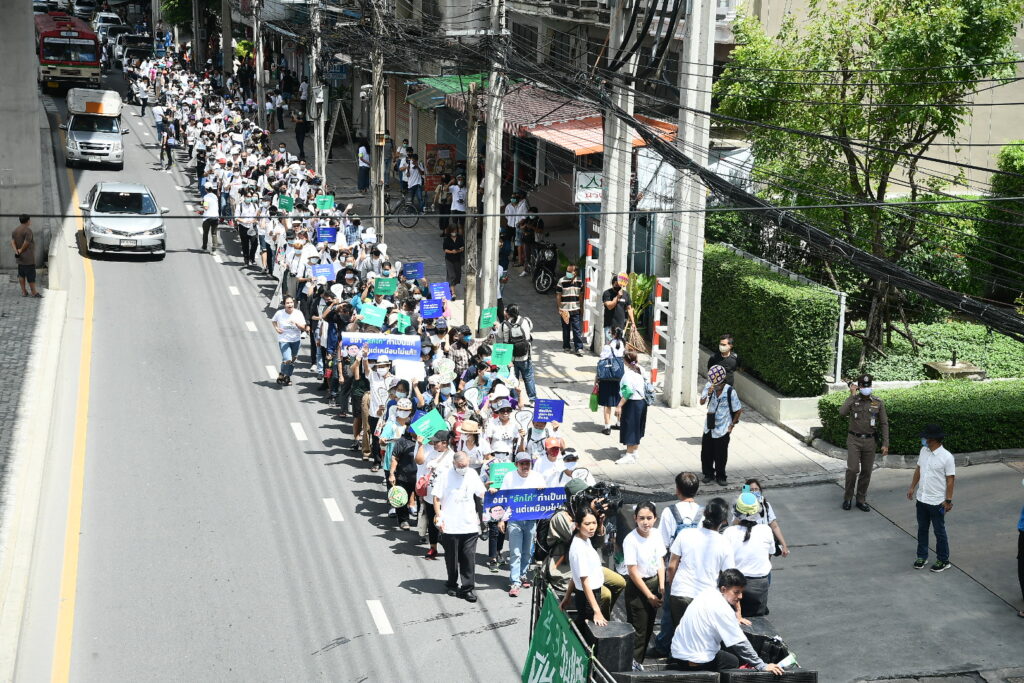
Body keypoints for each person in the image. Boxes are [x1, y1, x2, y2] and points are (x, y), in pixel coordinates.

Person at [668, 569, 785, 674]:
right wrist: (761, 665)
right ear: (723, 589)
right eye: (736, 592)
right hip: (696, 660)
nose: (740, 596)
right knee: (732, 661)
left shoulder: (706, 593)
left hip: (677, 653)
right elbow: (740, 643)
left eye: (741, 592)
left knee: (725, 651)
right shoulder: (722, 608)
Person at [665, 498, 735, 632]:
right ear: (724, 521)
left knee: (680, 635)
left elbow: (671, 566)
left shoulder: (685, 534)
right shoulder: (724, 543)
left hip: (679, 594)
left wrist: (675, 586)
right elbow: (729, 577)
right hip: (705, 600)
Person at [653, 472, 703, 655]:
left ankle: (665, 647)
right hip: (697, 571)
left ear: (677, 490)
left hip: (674, 570)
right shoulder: (703, 513)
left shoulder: (669, 512)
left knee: (669, 613)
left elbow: (662, 544)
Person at [433, 452, 485, 602]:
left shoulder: (472, 474)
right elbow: (436, 498)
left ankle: (468, 588)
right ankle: (451, 583)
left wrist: (492, 492)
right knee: (452, 558)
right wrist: (439, 516)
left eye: (466, 465)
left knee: (468, 558)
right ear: (454, 464)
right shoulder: (445, 475)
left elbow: (481, 492)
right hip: (450, 525)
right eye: (461, 466)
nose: (463, 468)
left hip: (469, 525)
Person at [908, 424, 956, 572]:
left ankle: (943, 560)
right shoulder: (924, 451)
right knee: (922, 529)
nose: (923, 439)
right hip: (921, 499)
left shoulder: (947, 457)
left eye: (926, 437)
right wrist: (912, 487)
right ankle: (922, 556)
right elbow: (918, 469)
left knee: (939, 531)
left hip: (937, 502)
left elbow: (950, 480)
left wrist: (948, 501)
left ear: (933, 439)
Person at [838, 373, 890, 511]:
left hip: (870, 441)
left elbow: (884, 423)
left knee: (866, 471)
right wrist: (852, 394)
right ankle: (848, 497)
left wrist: (885, 443)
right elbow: (842, 412)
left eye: (868, 386)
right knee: (853, 469)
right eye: (863, 386)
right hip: (854, 440)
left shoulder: (877, 402)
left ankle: (861, 499)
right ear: (859, 387)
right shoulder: (854, 400)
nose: (866, 388)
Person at [623, 502, 665, 664]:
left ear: (655, 519)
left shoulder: (656, 534)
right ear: (635, 519)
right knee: (638, 631)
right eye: (641, 518)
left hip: (654, 585)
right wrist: (648, 595)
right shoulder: (630, 540)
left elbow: (660, 560)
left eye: (649, 518)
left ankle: (637, 662)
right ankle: (633, 665)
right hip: (638, 589)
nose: (645, 522)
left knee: (648, 628)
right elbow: (632, 571)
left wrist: (661, 586)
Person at [500, 451, 547, 597]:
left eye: (528, 463)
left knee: (527, 551)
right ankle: (514, 581)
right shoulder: (509, 477)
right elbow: (503, 498)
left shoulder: (537, 476)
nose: (525, 466)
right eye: (522, 463)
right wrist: (502, 519)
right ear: (516, 465)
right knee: (515, 552)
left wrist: (542, 489)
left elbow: (545, 495)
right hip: (515, 520)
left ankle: (523, 574)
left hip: (531, 520)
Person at [723, 490, 775, 617]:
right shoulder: (766, 530)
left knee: (732, 621)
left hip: (734, 584)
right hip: (759, 585)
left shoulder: (729, 532)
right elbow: (769, 555)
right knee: (757, 622)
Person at [562, 508, 607, 629]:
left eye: (594, 523)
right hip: (588, 599)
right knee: (588, 633)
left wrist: (567, 597)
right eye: (587, 524)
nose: (592, 527)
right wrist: (597, 610)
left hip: (590, 594)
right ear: (577, 525)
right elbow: (584, 582)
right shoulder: (579, 549)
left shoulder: (585, 539)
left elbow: (575, 575)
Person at [700, 364, 743, 486]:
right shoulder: (709, 386)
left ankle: (721, 476)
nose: (716, 387)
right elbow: (702, 402)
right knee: (706, 452)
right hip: (709, 426)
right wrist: (708, 393)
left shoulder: (730, 391)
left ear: (723, 383)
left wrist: (732, 425)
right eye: (714, 384)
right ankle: (708, 474)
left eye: (718, 385)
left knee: (721, 454)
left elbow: (738, 410)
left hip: (723, 428)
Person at [498, 304, 536, 406]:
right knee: (528, 377)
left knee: (512, 378)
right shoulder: (526, 321)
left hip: (510, 358)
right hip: (525, 356)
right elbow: (530, 329)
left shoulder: (504, 325)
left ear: (508, 313)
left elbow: (499, 335)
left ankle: (514, 400)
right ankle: (532, 400)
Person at [742, 479, 790, 557]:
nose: (754, 492)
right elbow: (735, 526)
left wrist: (784, 545)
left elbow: (774, 526)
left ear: (760, 490)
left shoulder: (766, 505)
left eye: (756, 489)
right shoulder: (741, 507)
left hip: (765, 546)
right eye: (751, 490)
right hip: (748, 547)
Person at [615, 351, 648, 465]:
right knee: (637, 428)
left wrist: (619, 405)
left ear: (625, 361)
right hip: (642, 402)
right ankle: (634, 451)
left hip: (632, 404)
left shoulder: (628, 375)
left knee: (630, 428)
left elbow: (627, 392)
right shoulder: (641, 369)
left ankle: (629, 455)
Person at [271, 295, 310, 386]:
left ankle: (285, 375)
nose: (290, 305)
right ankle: (284, 375)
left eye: (291, 302)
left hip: (296, 340)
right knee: (287, 359)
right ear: (284, 304)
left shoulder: (298, 313)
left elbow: (303, 328)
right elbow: (273, 321)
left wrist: (296, 324)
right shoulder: (279, 313)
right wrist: (277, 328)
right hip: (284, 339)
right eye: (287, 303)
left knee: (293, 360)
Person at [597, 327, 625, 435]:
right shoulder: (622, 344)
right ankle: (619, 423)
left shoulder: (608, 346)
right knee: (619, 401)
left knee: (607, 403)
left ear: (612, 334)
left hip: (607, 376)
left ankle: (607, 426)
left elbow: (602, 359)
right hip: (619, 376)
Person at [555, 262, 584, 356]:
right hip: (565, 309)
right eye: (567, 271)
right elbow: (558, 295)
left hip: (575, 309)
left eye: (570, 271)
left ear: (575, 272)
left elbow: (580, 295)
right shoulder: (561, 281)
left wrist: (581, 308)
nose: (568, 273)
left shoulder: (579, 281)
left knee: (577, 329)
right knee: (566, 329)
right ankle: (566, 346)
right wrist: (560, 308)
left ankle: (578, 348)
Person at [11, 215, 40, 298]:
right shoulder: (28, 231)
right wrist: (21, 250)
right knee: (31, 276)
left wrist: (16, 251)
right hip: (28, 259)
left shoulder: (15, 230)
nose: (30, 222)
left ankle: (24, 292)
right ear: (27, 221)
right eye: (29, 220)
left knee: (21, 275)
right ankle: (34, 293)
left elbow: (12, 242)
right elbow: (26, 243)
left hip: (20, 259)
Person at [601, 273, 634, 343]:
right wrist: (617, 297)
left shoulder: (626, 294)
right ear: (613, 284)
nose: (618, 286)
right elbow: (609, 306)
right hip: (609, 325)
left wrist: (633, 323)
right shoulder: (607, 293)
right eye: (616, 284)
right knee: (609, 346)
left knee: (619, 346)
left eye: (619, 284)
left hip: (620, 325)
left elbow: (629, 309)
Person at [442, 225, 464, 299]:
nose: (454, 233)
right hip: (449, 259)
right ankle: (453, 293)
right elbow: (445, 249)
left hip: (458, 259)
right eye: (452, 231)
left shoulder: (460, 238)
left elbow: (462, 247)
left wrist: (458, 250)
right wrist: (451, 252)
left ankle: (450, 285)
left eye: (455, 231)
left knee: (457, 275)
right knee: (452, 275)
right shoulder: (447, 239)